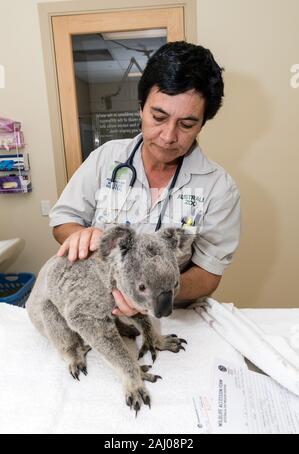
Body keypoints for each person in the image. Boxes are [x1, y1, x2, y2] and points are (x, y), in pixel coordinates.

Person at [49, 41, 240, 317]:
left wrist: (156, 292)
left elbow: (209, 273)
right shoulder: (106, 158)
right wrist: (81, 234)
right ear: (141, 108)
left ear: (202, 124)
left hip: (170, 316)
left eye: (186, 124)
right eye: (158, 117)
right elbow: (61, 221)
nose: (168, 135)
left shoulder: (219, 189)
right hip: (98, 306)